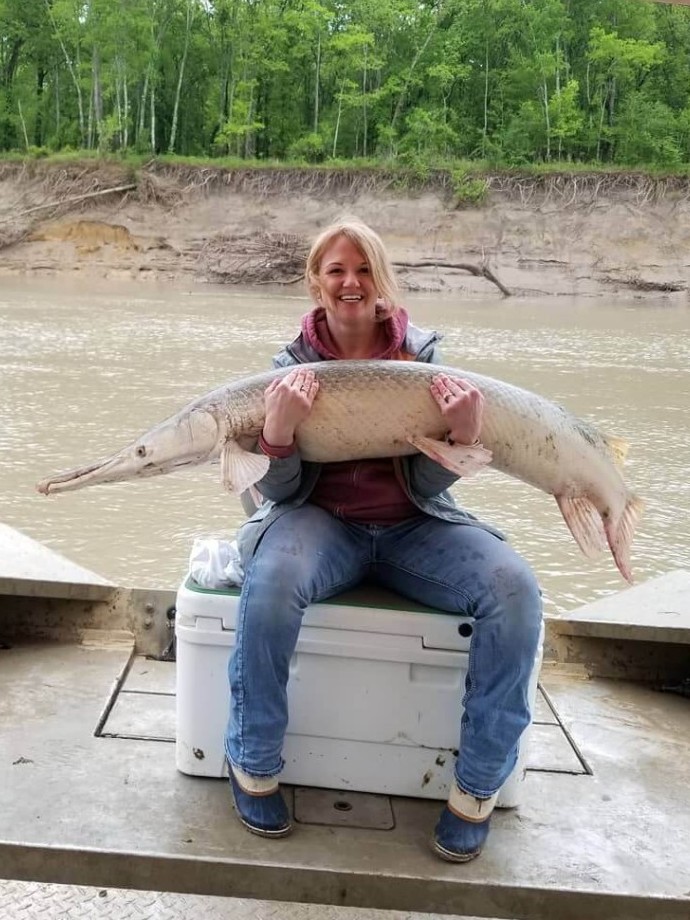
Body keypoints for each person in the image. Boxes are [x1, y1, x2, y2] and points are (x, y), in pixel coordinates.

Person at [224, 217, 543, 863]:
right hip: (319, 521)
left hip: (416, 524)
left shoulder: (426, 359)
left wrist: (458, 438)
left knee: (516, 589)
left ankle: (476, 789)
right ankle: (253, 762)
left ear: (382, 280)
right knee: (271, 583)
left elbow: (431, 482)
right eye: (337, 269)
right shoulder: (285, 368)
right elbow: (281, 494)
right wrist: (278, 437)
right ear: (316, 282)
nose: (351, 282)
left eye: (364, 269)